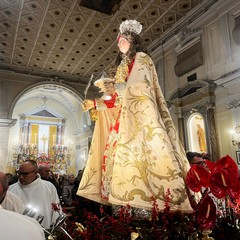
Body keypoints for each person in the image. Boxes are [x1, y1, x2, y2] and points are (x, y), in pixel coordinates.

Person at [78, 19, 194, 212]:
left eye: (122, 40)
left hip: (138, 120)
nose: (118, 43)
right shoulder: (122, 65)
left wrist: (118, 87)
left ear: (132, 41)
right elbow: (116, 99)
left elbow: (142, 88)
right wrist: (95, 103)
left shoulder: (142, 58)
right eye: (118, 41)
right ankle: (121, 200)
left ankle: (145, 203)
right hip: (122, 121)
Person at [9, 160, 61, 229]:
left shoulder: (49, 187)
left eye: (25, 174)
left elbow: (56, 209)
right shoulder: (10, 190)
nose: (21, 177)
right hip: (18, 230)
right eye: (19, 173)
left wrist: (55, 228)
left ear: (35, 173)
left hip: (44, 230)